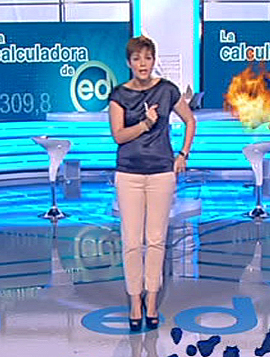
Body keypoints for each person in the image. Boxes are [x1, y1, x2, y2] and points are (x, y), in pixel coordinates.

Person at [108, 36, 197, 331]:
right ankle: (135, 300)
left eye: (147, 58)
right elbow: (119, 136)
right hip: (129, 174)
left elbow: (190, 120)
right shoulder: (119, 95)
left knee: (157, 240)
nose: (142, 64)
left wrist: (183, 154)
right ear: (129, 63)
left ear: (153, 60)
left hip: (161, 173)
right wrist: (146, 123)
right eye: (137, 59)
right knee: (132, 242)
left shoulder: (167, 90)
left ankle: (152, 300)